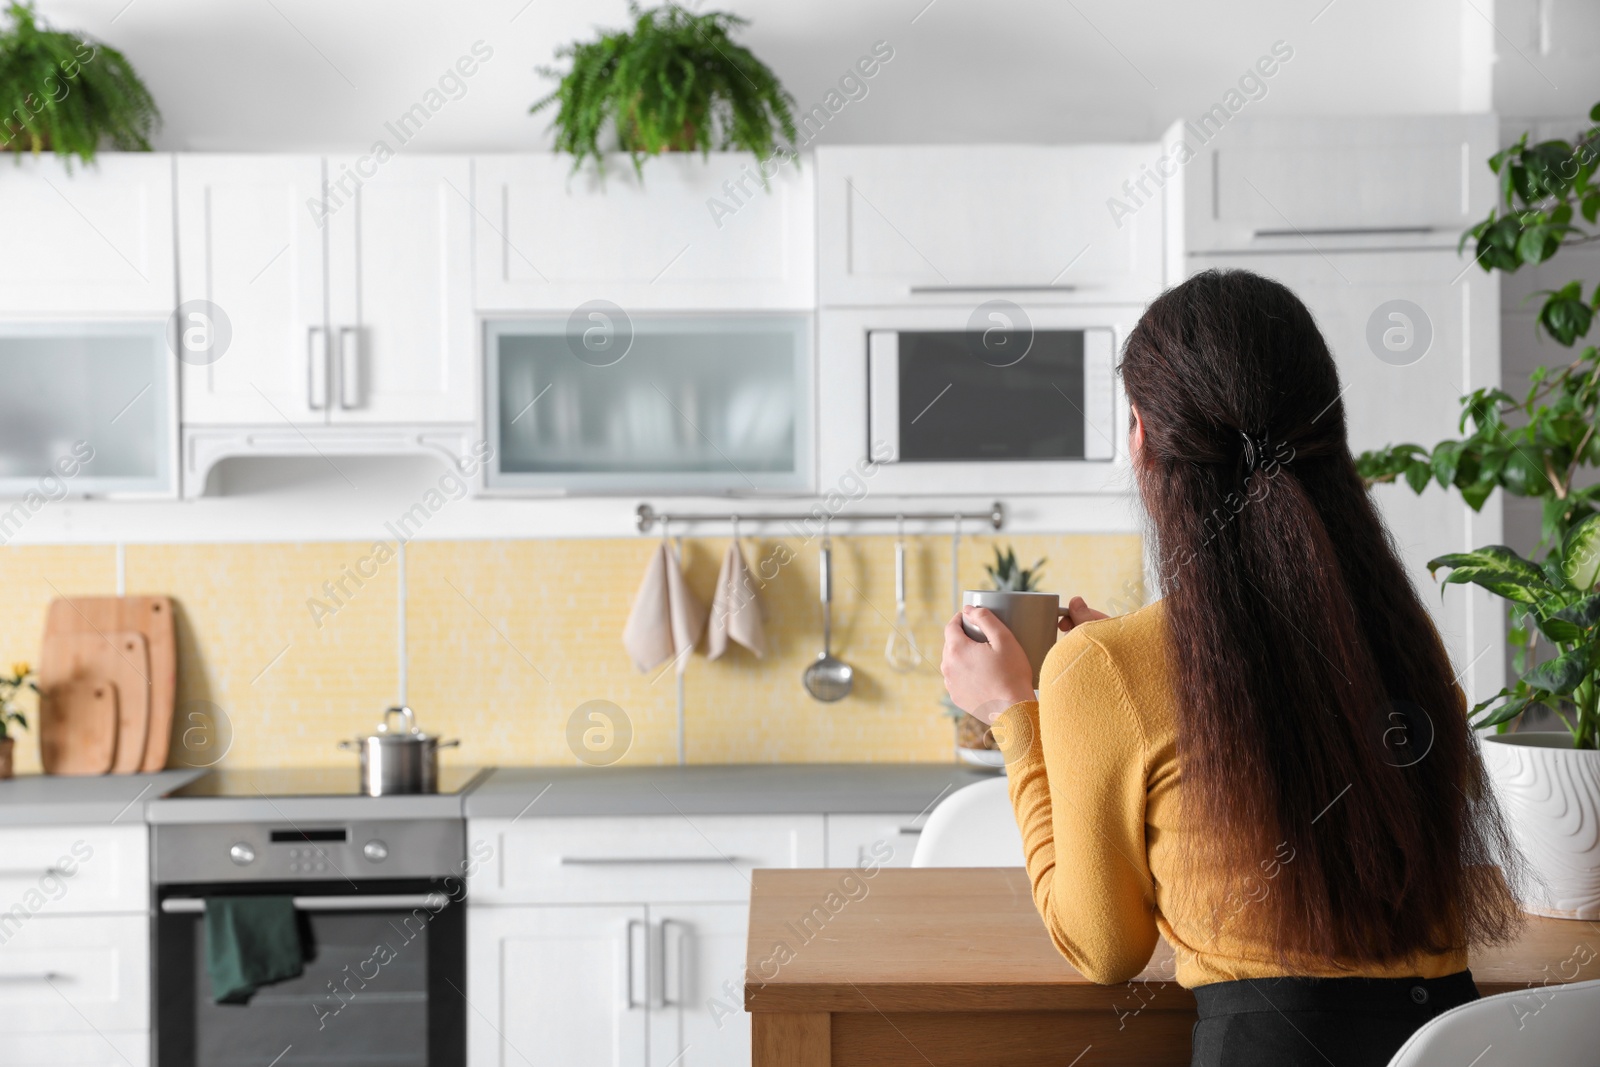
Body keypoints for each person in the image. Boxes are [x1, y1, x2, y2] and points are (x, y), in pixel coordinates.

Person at [940, 269, 1522, 1067]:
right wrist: (1129, 675)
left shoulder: (1101, 669)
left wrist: (1019, 713)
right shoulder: (1401, 631)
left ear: (1143, 436)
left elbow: (1104, 947)